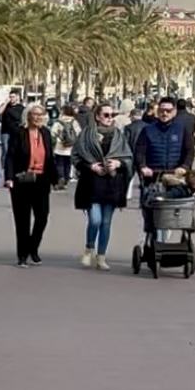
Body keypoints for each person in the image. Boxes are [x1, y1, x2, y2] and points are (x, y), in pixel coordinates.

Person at [73, 102, 129, 269]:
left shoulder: (118, 135)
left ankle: (102, 256)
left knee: (106, 222)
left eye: (112, 115)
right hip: (91, 182)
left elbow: (128, 157)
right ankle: (89, 248)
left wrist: (118, 164)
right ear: (97, 116)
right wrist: (90, 166)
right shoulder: (86, 135)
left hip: (112, 183)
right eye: (106, 115)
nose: (109, 118)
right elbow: (76, 157)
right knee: (95, 219)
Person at [4, 102, 59, 264]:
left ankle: (32, 247)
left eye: (41, 114)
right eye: (35, 114)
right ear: (28, 116)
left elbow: (50, 158)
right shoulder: (19, 133)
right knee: (22, 220)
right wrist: (9, 178)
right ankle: (22, 255)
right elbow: (10, 156)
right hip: (22, 180)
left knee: (42, 217)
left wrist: (55, 180)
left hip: (41, 181)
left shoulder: (46, 134)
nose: (38, 117)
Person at [0, 90, 25, 173]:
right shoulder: (6, 106)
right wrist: (6, 103)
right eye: (10, 97)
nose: (11, 98)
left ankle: (12, 165)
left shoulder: (21, 108)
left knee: (14, 149)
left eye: (13, 97)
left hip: (16, 131)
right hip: (5, 131)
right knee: (5, 149)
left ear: (17, 97)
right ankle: (4, 167)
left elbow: (23, 118)